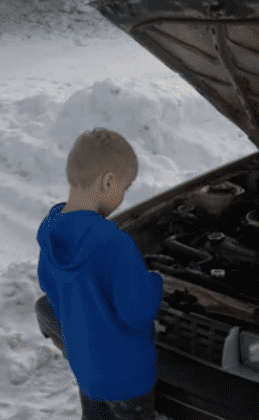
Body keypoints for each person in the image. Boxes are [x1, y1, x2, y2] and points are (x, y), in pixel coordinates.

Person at [36, 128, 164, 420]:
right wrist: (155, 283)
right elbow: (137, 312)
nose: (123, 196)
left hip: (87, 368)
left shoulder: (52, 231)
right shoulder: (114, 243)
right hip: (127, 378)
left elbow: (49, 286)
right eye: (125, 187)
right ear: (108, 182)